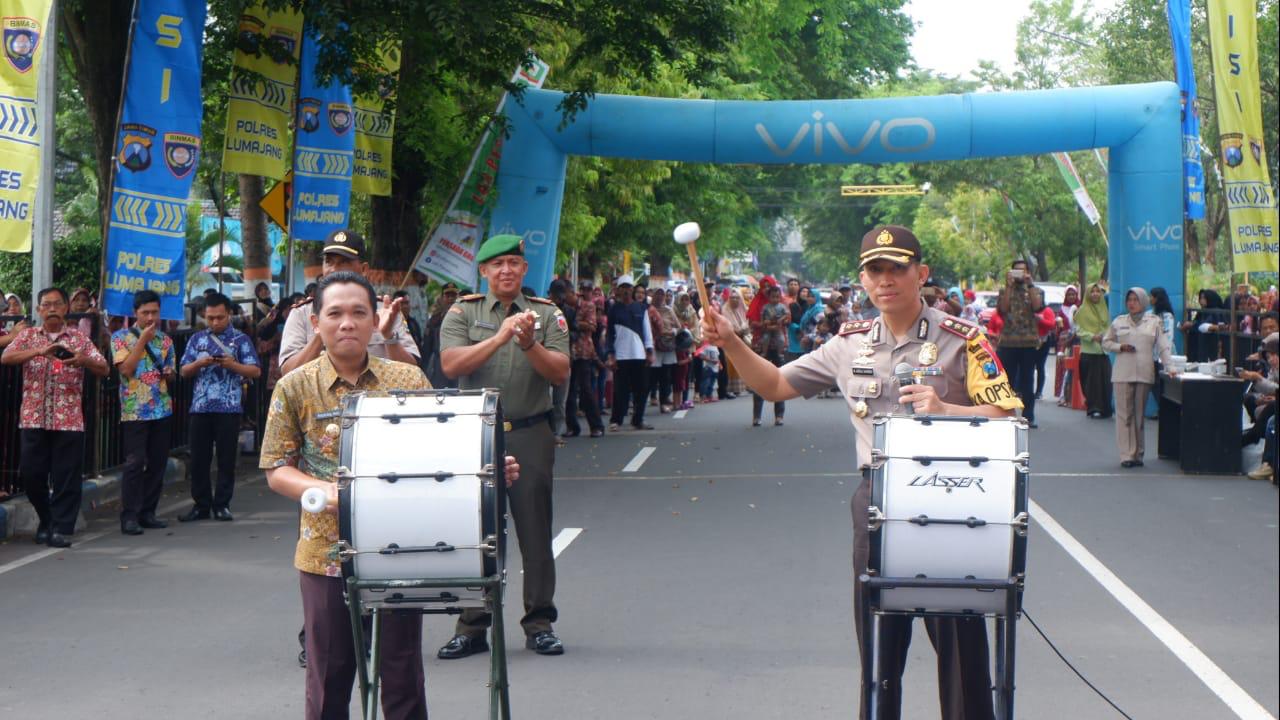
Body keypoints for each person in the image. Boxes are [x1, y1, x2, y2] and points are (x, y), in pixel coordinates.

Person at [701, 225, 1021, 720]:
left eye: (897, 268)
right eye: (875, 270)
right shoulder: (848, 343)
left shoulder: (966, 341)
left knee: (961, 643)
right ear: (863, 280)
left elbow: (1009, 417)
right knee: (878, 648)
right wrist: (731, 344)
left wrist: (946, 408)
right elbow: (775, 385)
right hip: (877, 500)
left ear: (922, 274)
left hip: (954, 498)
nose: (886, 280)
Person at [260, 272, 434, 719]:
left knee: (402, 673)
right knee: (329, 676)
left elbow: (439, 451)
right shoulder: (294, 385)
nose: (347, 323)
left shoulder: (409, 380)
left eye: (359, 313)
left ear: (376, 320)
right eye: (335, 314)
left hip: (399, 547)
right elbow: (277, 468)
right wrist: (326, 492)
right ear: (316, 322)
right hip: (325, 552)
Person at [437, 234, 571, 659]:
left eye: (514, 262)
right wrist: (499, 337)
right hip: (476, 432)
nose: (507, 270)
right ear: (484, 271)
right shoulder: (463, 311)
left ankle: (539, 624)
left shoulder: (548, 315)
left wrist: (529, 343)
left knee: (534, 530)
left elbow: (560, 373)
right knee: (476, 532)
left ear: (525, 270)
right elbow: (451, 365)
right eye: (498, 265)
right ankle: (472, 626)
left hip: (530, 431)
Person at [1, 287, 109, 547]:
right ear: (38, 309)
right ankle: (46, 519)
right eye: (46, 305)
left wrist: (82, 360)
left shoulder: (79, 339)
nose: (51, 309)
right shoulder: (28, 336)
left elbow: (104, 368)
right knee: (31, 473)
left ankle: (60, 527)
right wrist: (38, 352)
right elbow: (6, 357)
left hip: (68, 418)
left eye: (57, 304)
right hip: (33, 416)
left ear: (65, 308)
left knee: (66, 476)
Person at [278, 230, 420, 376]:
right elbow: (288, 374)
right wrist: (323, 331)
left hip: (376, 397)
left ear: (364, 269)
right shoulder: (302, 313)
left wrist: (389, 336)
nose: (333, 269)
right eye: (329, 262)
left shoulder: (385, 311)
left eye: (344, 262)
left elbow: (411, 373)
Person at [177, 293, 261, 522]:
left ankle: (222, 504)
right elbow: (183, 371)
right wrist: (199, 363)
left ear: (230, 314)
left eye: (220, 317)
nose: (215, 322)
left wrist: (232, 365)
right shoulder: (196, 340)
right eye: (210, 318)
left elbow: (255, 371)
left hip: (229, 407)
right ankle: (201, 505)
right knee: (199, 459)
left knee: (225, 459)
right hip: (201, 407)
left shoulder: (241, 340)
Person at [111, 290, 178, 536]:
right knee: (134, 463)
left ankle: (148, 512)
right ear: (135, 313)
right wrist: (142, 341)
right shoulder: (120, 338)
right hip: (134, 410)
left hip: (161, 409)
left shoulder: (166, 341)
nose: (151, 317)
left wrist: (168, 373)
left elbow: (171, 373)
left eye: (155, 312)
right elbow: (126, 370)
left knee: (158, 462)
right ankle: (129, 516)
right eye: (145, 313)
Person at [1102, 287, 1176, 468]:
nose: (1131, 303)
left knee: (1138, 415)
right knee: (1124, 414)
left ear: (1142, 301)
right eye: (1129, 300)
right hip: (1122, 372)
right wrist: (1120, 347)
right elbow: (1106, 341)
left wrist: (1170, 366)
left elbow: (1163, 345)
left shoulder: (1154, 321)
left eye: (1135, 300)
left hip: (1144, 372)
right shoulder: (1119, 322)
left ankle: (1138, 453)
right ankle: (1126, 455)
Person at [995, 259, 1044, 427]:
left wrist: (1030, 285)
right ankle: (1005, 415)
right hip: (1008, 342)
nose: (1019, 274)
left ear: (1028, 272)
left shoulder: (1035, 289)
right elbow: (1003, 309)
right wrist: (1008, 286)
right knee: (1006, 381)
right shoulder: (1005, 290)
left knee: (1027, 380)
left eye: (1022, 271)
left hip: (1028, 343)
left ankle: (1028, 416)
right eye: (1016, 271)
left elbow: (1038, 307)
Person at [606, 275, 655, 431]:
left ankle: (638, 419)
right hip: (621, 355)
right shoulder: (614, 309)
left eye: (628, 287)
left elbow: (647, 331)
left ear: (632, 289)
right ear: (618, 290)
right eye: (623, 288)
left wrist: (649, 351)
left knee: (642, 388)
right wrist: (611, 354)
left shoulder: (641, 308)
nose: (626, 291)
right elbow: (609, 334)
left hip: (639, 354)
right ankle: (616, 420)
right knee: (621, 390)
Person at [565, 281, 604, 437]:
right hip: (567, 352)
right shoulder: (563, 308)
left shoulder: (588, 306)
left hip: (583, 352)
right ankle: (572, 426)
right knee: (568, 391)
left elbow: (592, 326)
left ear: (571, 293)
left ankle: (596, 426)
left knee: (586, 390)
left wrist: (573, 323)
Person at [751, 283, 789, 427]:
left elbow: (787, 320)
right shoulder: (758, 306)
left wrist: (780, 322)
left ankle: (779, 416)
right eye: (764, 286)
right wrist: (764, 325)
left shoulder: (782, 306)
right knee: (759, 381)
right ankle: (757, 416)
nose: (767, 289)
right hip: (761, 345)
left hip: (778, 345)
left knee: (779, 380)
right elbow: (754, 323)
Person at [1074, 283, 1113, 418]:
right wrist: (1092, 336)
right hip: (1089, 352)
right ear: (1088, 294)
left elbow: (1109, 327)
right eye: (1092, 291)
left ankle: (1106, 408)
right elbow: (1078, 330)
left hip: (1103, 352)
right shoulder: (1081, 311)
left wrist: (1105, 336)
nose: (1095, 294)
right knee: (1091, 383)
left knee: (1106, 381)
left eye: (1098, 292)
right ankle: (1094, 408)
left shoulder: (1105, 309)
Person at [421, 282, 461, 388]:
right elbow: (426, 348)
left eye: (453, 296)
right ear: (442, 297)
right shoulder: (435, 320)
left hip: (460, 361)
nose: (451, 299)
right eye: (448, 296)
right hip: (440, 364)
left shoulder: (465, 317)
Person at [648, 287, 679, 413]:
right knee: (653, 375)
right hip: (654, 345)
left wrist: (672, 332)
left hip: (667, 346)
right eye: (658, 294)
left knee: (666, 375)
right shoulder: (648, 309)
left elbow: (678, 326)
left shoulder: (669, 310)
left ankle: (664, 401)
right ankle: (652, 396)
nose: (660, 297)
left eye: (662, 294)